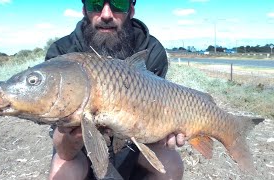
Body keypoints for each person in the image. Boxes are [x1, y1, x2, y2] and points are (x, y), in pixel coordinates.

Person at [45, 0, 185, 179]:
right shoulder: (62, 53)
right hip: (82, 150)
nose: (106, 14)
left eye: (118, 4)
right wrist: (76, 133)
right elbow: (62, 148)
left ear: (131, 10)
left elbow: (156, 119)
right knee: (63, 166)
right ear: (83, 10)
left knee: (171, 163)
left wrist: (165, 130)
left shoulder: (151, 50)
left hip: (134, 144)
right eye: (95, 4)